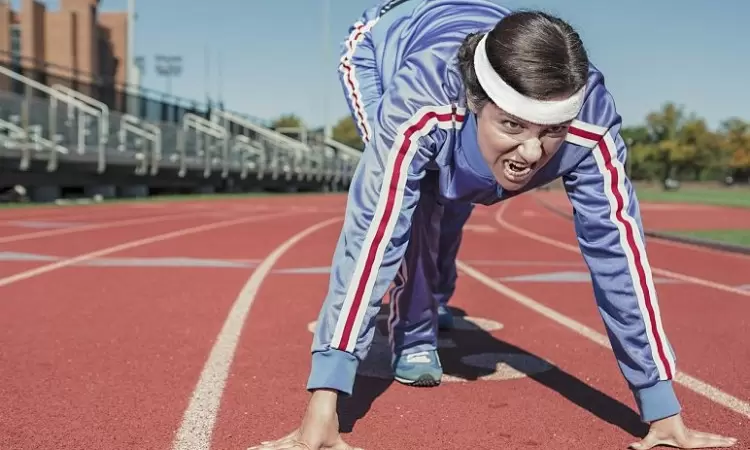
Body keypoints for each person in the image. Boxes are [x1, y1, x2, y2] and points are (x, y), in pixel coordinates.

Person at [249, 1, 738, 449]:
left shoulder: (591, 124)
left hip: (475, 48)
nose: (531, 153)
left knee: (457, 195)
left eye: (551, 133)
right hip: (383, 47)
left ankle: (435, 291)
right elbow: (373, 233)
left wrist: (661, 406)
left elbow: (619, 256)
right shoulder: (420, 102)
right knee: (415, 199)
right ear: (475, 103)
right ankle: (415, 329)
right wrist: (326, 398)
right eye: (513, 126)